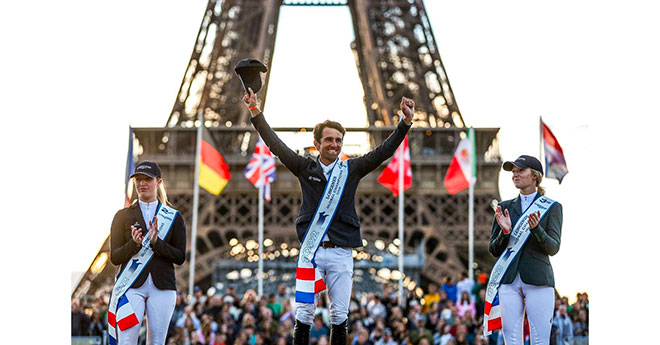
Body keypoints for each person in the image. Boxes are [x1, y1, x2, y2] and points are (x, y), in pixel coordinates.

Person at [242, 87, 414, 345]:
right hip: (311, 250)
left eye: (338, 140)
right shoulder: (304, 167)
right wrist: (255, 111)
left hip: (341, 251)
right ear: (317, 144)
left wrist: (405, 123)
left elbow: (383, 152)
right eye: (329, 140)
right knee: (304, 314)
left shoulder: (351, 169)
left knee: (339, 315)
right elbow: (276, 145)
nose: (334, 144)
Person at [487, 155, 563, 345]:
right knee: (511, 340)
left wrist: (536, 229)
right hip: (509, 280)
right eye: (513, 172)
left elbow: (553, 247)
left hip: (538, 279)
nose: (515, 175)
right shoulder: (504, 207)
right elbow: (493, 249)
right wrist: (505, 232)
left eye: (520, 171)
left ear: (535, 176)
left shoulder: (552, 208)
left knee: (540, 340)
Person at [109, 161, 187, 345]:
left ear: (158, 182)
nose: (142, 183)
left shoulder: (173, 217)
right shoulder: (122, 216)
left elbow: (180, 257)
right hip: (131, 287)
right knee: (126, 341)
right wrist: (134, 245)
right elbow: (115, 257)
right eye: (138, 179)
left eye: (147, 179)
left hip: (163, 287)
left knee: (157, 342)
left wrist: (156, 243)